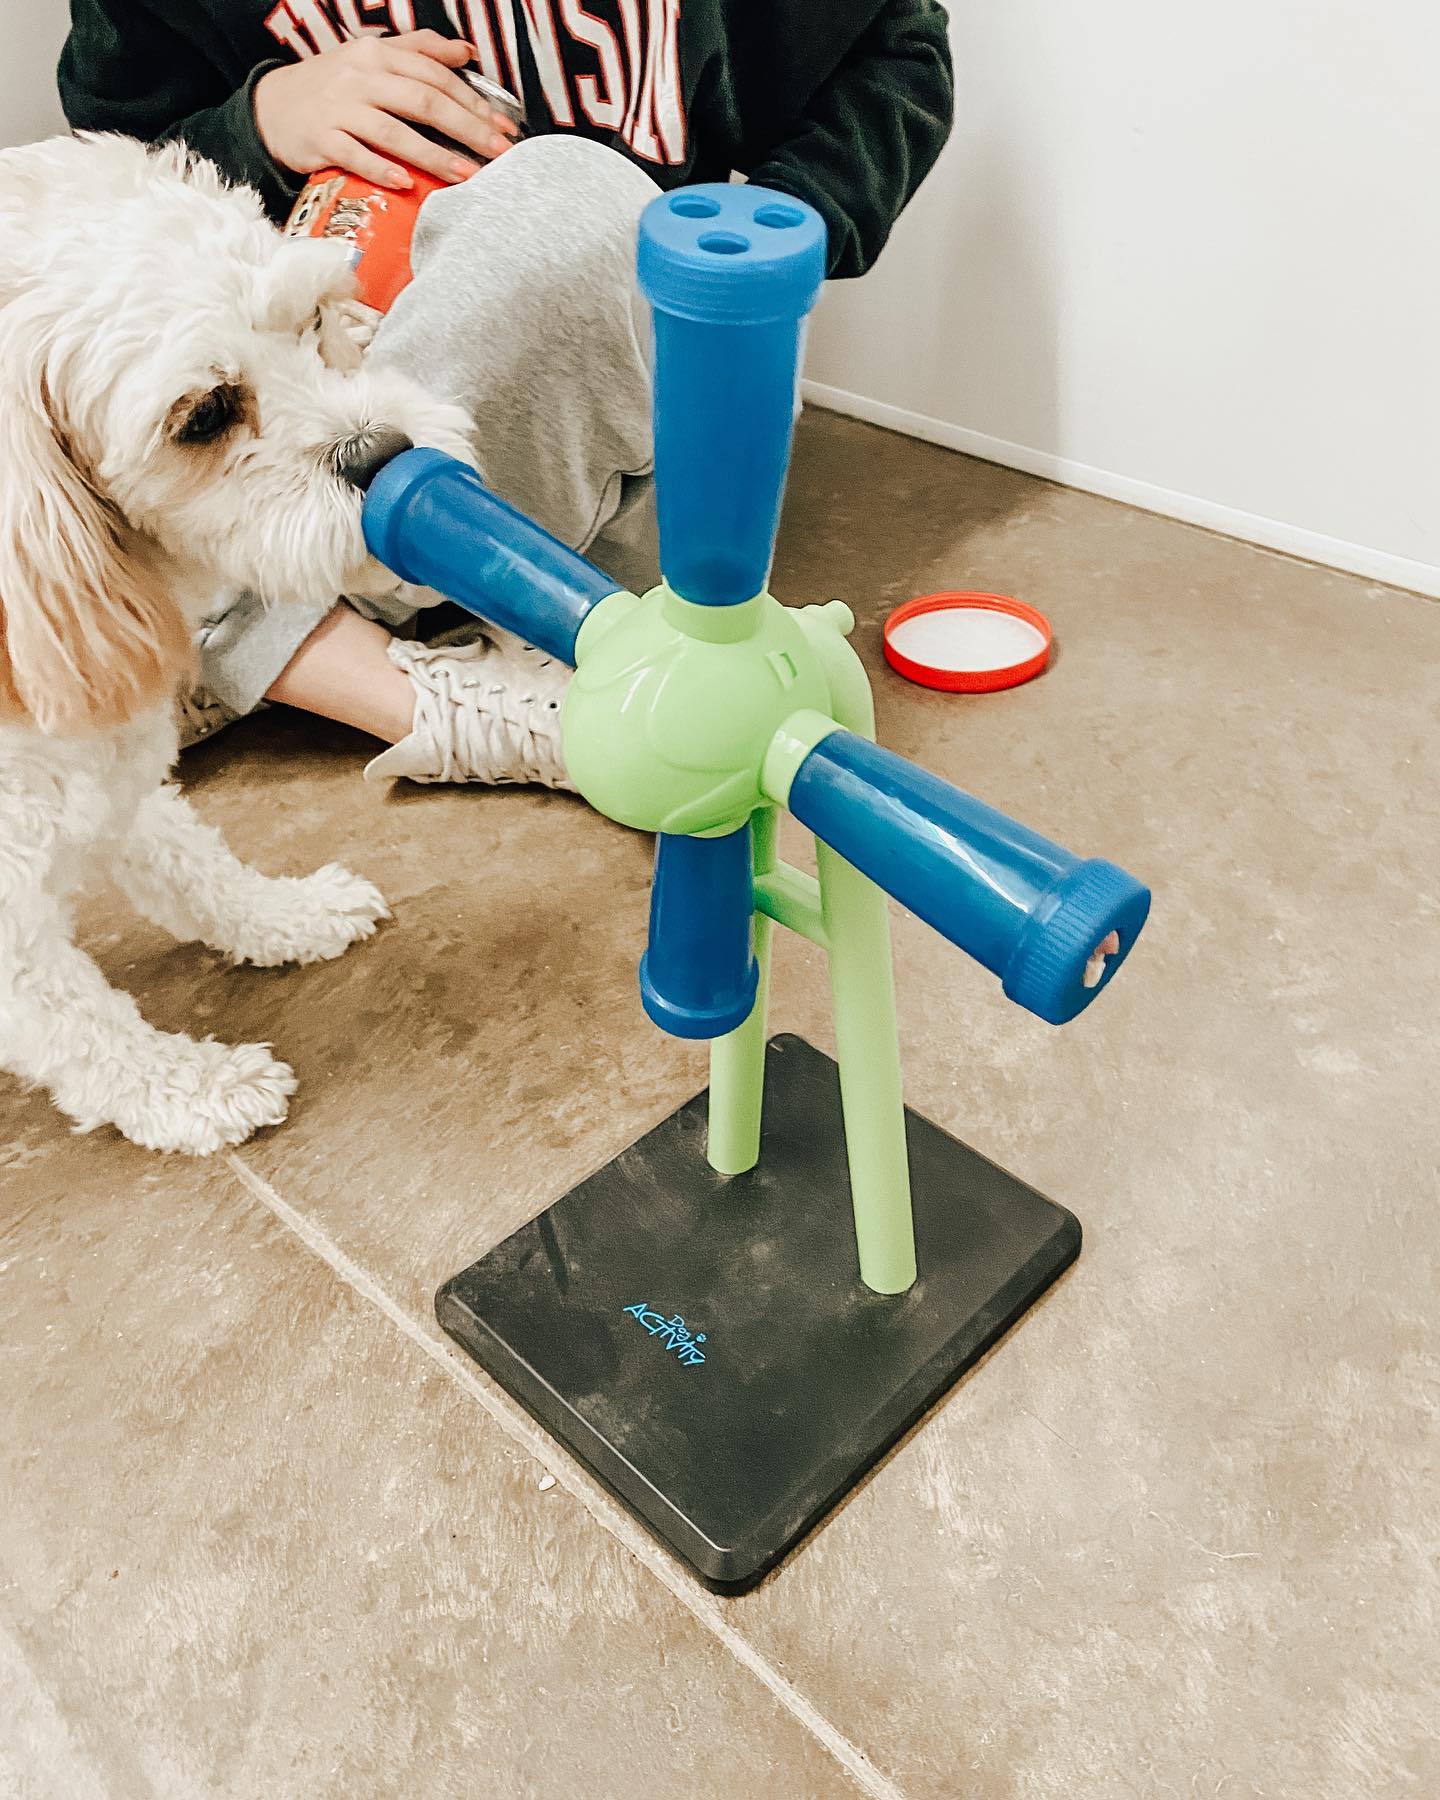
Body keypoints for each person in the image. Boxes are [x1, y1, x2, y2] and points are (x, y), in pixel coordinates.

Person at [58, 3, 954, 785]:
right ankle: (410, 689)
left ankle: (240, 652)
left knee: (569, 197)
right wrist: (257, 121)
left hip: (600, 464)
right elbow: (118, 178)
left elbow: (894, 50)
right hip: (291, 422)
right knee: (65, 318)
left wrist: (770, 240)